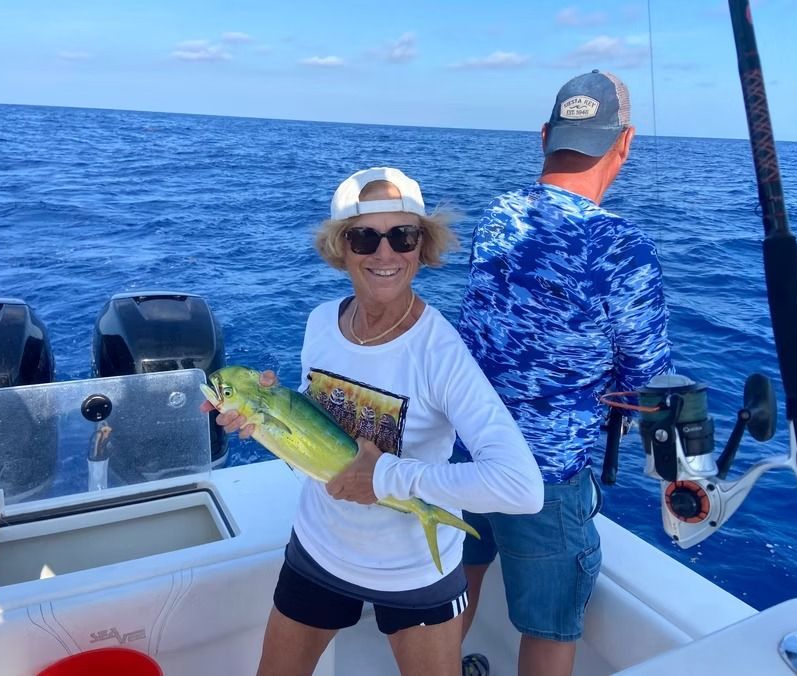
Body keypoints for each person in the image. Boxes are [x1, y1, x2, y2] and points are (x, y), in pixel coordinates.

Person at [205, 167, 544, 676]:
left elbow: (522, 487)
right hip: (318, 550)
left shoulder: (441, 353)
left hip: (416, 575)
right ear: (341, 248)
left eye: (402, 236)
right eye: (365, 237)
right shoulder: (321, 321)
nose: (385, 254)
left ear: (422, 247)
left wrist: (384, 475)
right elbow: (315, 425)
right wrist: (264, 414)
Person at [455, 71, 672, 676]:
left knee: (459, 586)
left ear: (546, 135)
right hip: (543, 476)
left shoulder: (498, 215)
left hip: (466, 448)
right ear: (625, 142)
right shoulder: (623, 249)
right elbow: (649, 385)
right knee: (549, 626)